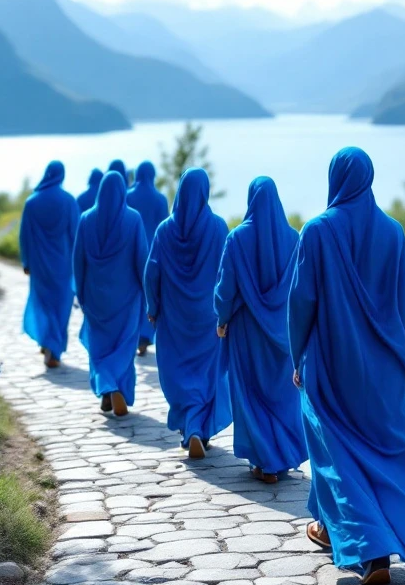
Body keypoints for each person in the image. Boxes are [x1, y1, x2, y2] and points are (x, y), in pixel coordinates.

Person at [288, 147, 405, 585]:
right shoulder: (393, 232)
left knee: (336, 452)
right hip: (384, 368)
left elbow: (302, 301)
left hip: (331, 363)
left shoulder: (317, 231)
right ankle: (330, 526)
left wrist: (296, 354)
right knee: (381, 451)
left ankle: (371, 550)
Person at [215, 177, 307, 484]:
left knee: (250, 393)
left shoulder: (237, 238)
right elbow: (300, 288)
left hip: (246, 330)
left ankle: (264, 461)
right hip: (282, 332)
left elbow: (225, 288)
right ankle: (280, 457)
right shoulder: (294, 239)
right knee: (280, 394)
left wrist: (222, 317)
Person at [144, 168, 231, 459]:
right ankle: (199, 427)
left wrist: (152, 307)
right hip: (208, 317)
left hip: (173, 317)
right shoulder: (218, 228)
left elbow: (151, 271)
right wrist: (227, 310)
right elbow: (228, 273)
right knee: (206, 373)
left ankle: (190, 425)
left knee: (177, 371)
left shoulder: (164, 229)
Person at [72, 170, 148, 417]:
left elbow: (78, 261)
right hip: (126, 297)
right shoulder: (133, 219)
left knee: (99, 346)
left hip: (95, 297)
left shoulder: (85, 219)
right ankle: (114, 385)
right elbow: (141, 260)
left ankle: (107, 391)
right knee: (124, 344)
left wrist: (81, 293)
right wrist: (148, 294)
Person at [20, 161, 80, 369]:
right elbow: (76, 236)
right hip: (63, 265)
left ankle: (46, 342)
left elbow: (25, 236)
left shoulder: (32, 202)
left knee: (43, 303)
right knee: (61, 305)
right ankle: (53, 350)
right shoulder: (69, 201)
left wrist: (26, 261)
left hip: (39, 265)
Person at [127, 160, 169, 355]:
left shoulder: (127, 196)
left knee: (133, 295)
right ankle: (145, 335)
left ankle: (134, 334)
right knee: (150, 292)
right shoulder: (160, 199)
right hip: (153, 255)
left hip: (130, 254)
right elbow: (167, 230)